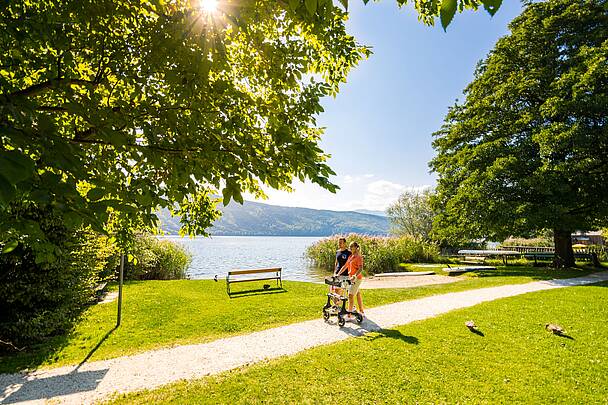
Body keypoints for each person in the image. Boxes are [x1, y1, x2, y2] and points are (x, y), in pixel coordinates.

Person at [341, 241, 364, 318]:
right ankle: (361, 311)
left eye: (351, 247)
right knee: (356, 293)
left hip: (356, 279)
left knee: (350, 295)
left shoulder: (359, 257)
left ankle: (349, 315)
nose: (350, 248)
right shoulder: (351, 256)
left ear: (356, 247)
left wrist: (354, 275)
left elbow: (360, 268)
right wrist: (338, 274)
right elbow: (345, 266)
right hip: (350, 279)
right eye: (350, 247)